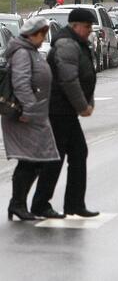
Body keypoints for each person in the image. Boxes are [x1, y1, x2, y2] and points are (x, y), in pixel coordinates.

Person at [32, 9, 98, 218]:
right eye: (87, 27)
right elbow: (69, 80)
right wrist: (83, 106)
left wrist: (88, 102)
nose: (89, 31)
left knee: (78, 154)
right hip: (59, 111)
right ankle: (41, 204)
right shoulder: (66, 45)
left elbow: (85, 77)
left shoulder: (75, 43)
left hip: (65, 111)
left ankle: (74, 204)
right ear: (76, 25)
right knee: (57, 157)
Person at [1, 17, 60, 220]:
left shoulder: (31, 51)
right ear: (32, 34)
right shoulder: (22, 53)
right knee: (31, 159)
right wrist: (28, 109)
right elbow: (21, 82)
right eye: (41, 34)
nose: (43, 39)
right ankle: (18, 204)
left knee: (36, 159)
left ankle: (19, 204)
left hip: (34, 114)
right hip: (24, 116)